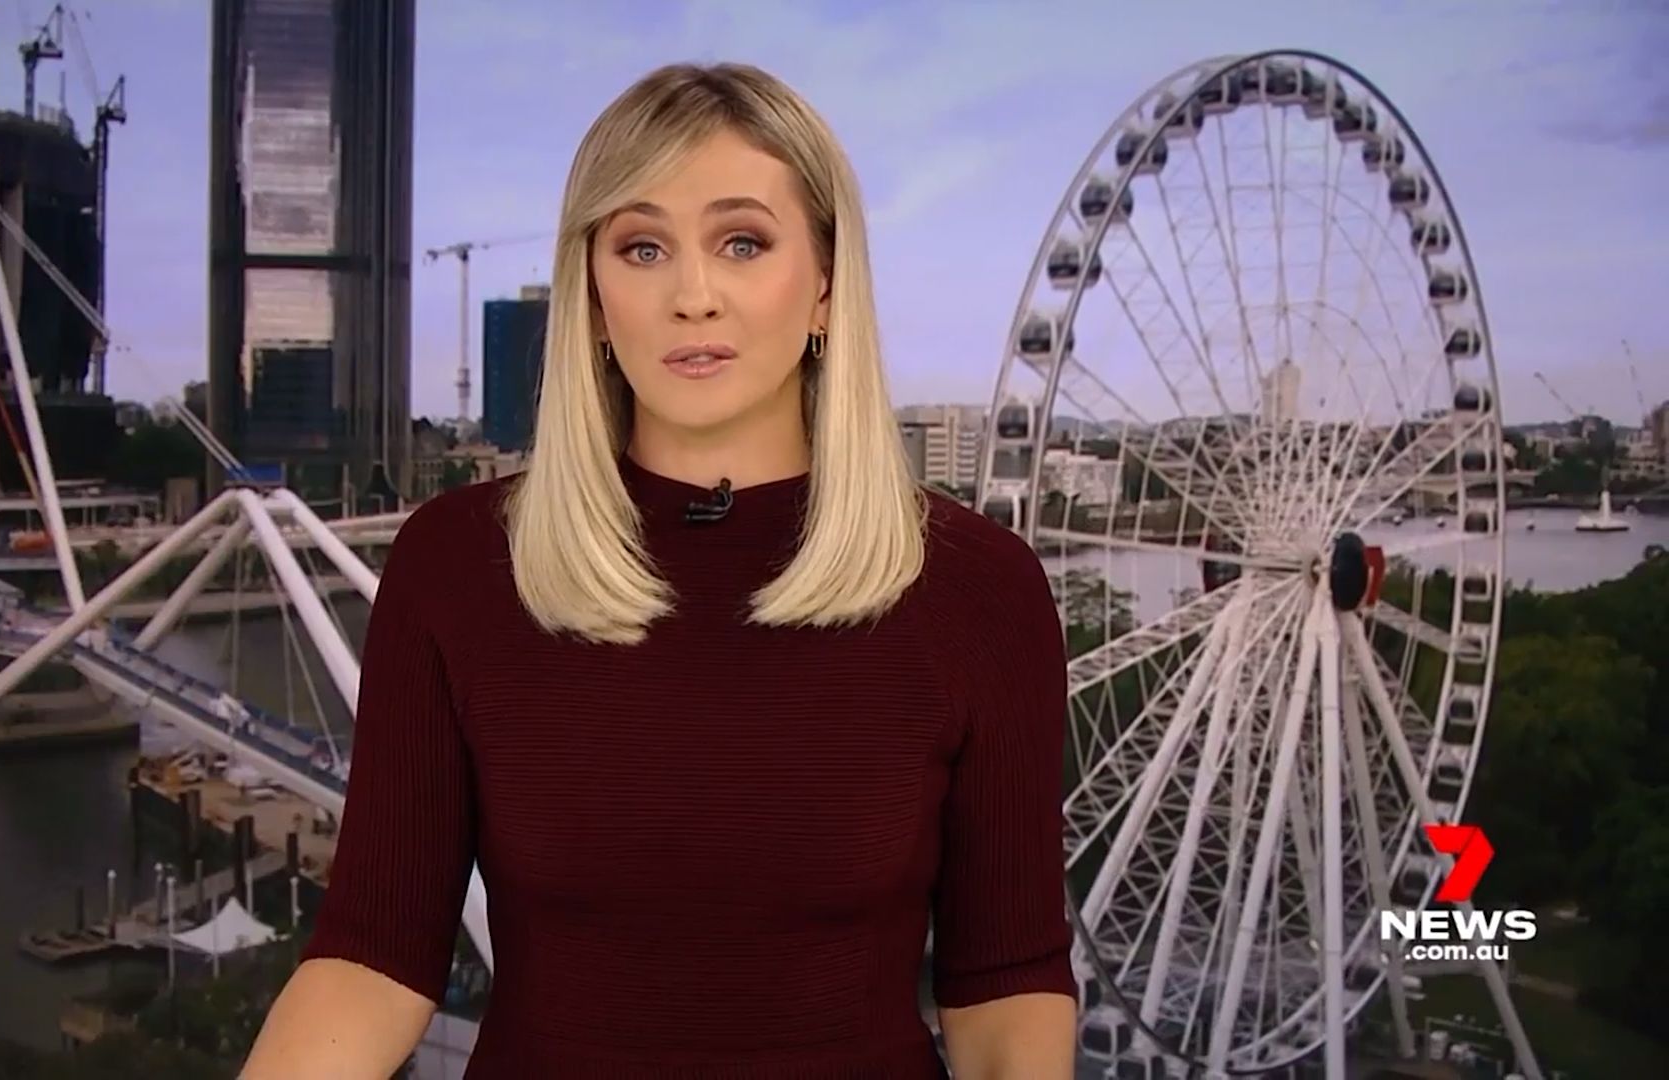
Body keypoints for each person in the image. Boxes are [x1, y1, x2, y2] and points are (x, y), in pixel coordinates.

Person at [243, 62, 1076, 1078]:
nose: (693, 297)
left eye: (742, 243)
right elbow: (373, 961)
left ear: (824, 285)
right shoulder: (456, 568)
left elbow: (1005, 992)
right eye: (642, 248)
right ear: (594, 298)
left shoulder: (979, 592)